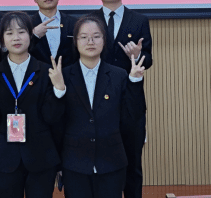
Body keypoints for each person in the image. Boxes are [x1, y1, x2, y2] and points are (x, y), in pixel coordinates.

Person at [0, 11, 66, 198]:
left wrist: (59, 90)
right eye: (9, 33)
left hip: (41, 156)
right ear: (1, 39)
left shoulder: (47, 72)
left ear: (31, 35)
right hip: (3, 157)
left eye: (21, 32)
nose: (16, 37)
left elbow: (53, 118)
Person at [60, 15, 146, 198]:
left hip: (111, 162)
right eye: (84, 37)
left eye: (96, 36)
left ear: (104, 40)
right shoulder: (63, 76)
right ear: (75, 42)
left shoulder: (119, 75)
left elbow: (133, 116)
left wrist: (135, 81)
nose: (90, 42)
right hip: (75, 162)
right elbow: (56, 119)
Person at [92, 0, 153, 198]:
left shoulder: (139, 20)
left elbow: (148, 59)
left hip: (130, 101)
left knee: (132, 162)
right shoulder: (89, 21)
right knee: (102, 162)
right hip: (97, 102)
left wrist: (137, 55)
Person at [29, 0, 76, 68]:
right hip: (36, 75)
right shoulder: (27, 24)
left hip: (67, 75)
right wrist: (34, 35)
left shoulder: (74, 23)